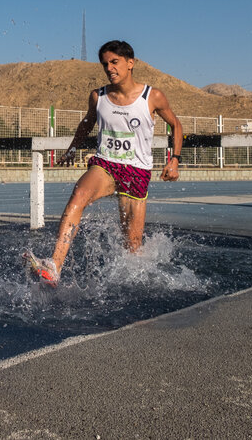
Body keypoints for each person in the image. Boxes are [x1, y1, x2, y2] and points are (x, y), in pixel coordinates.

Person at [22, 40, 183, 287]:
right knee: (79, 195)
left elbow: (176, 125)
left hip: (137, 172)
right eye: (105, 64)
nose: (109, 68)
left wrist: (174, 159)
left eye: (114, 62)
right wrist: (73, 148)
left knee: (132, 250)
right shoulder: (99, 96)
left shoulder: (153, 96)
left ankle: (137, 287)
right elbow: (87, 123)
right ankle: (55, 265)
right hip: (106, 164)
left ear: (131, 63)